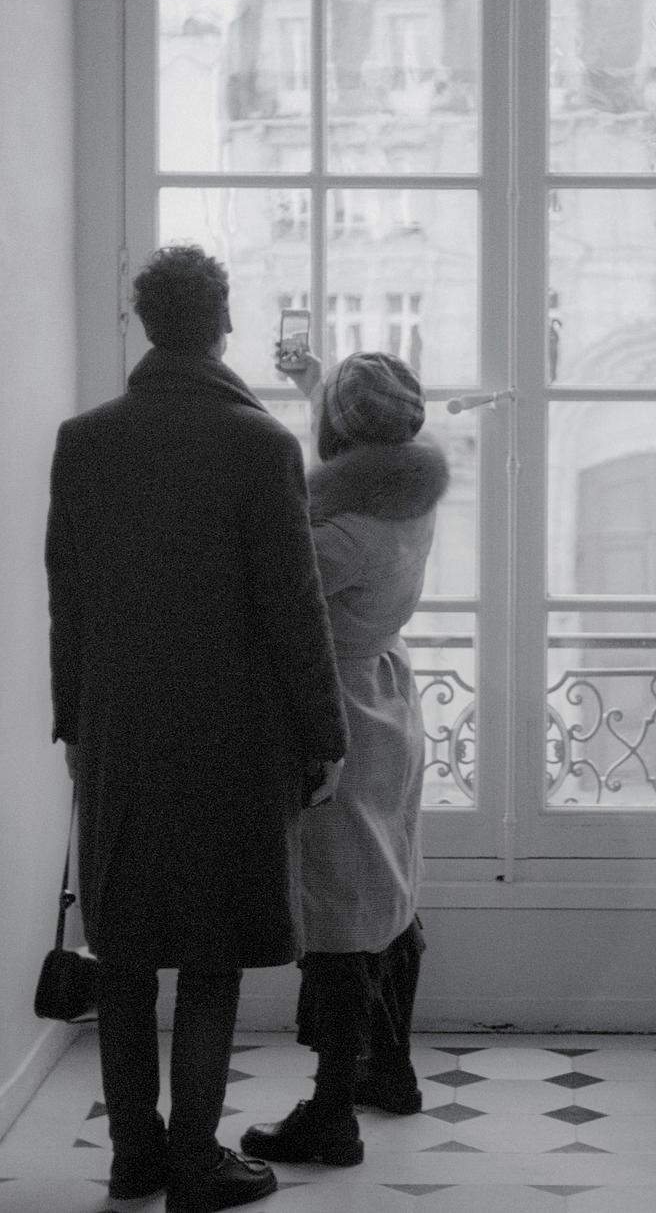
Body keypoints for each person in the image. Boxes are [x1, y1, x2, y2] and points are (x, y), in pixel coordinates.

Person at [45, 246, 349, 1213]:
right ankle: (195, 1160)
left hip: (122, 728)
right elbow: (293, 606)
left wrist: (74, 724)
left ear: (145, 325)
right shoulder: (259, 444)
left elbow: (68, 598)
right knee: (212, 950)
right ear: (222, 325)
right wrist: (326, 733)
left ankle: (133, 1156)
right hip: (234, 731)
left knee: (126, 950)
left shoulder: (85, 440)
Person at [241, 348, 448, 1168]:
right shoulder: (408, 501)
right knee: (387, 892)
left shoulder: (341, 534)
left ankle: (332, 1113)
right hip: (388, 701)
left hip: (341, 717)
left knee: (337, 916)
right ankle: (390, 1070)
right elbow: (345, 474)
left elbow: (271, 596)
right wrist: (313, 384)